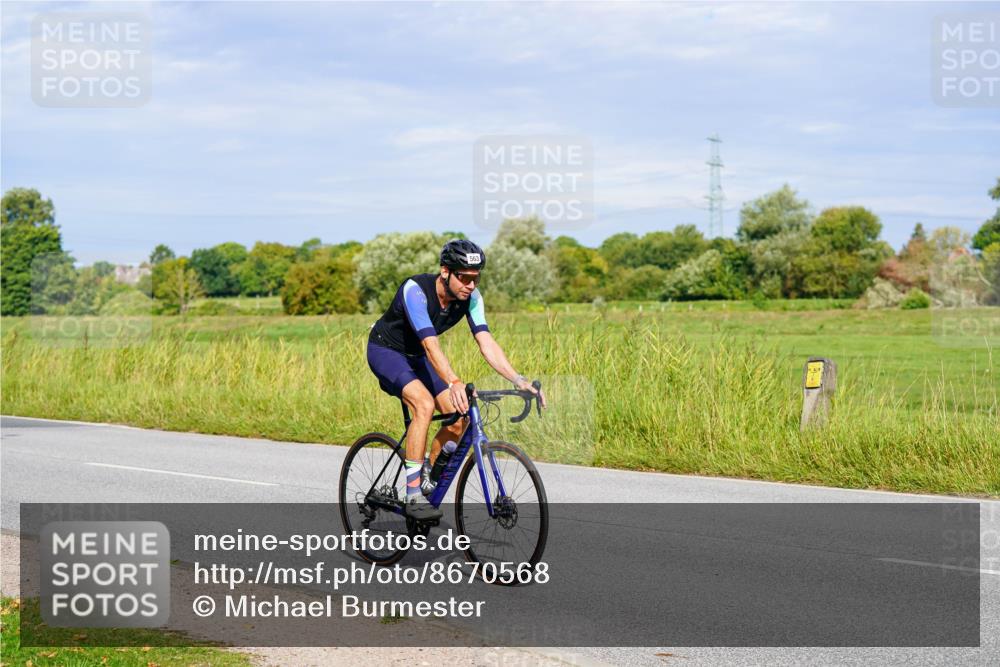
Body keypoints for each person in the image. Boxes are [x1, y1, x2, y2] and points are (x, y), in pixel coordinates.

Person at [366, 239, 545, 520]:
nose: (471, 285)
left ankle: (427, 475)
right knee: (423, 405)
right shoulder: (416, 290)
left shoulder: (471, 298)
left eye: (476, 278)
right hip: (387, 350)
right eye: (464, 278)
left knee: (459, 415)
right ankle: (413, 495)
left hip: (419, 356)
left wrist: (517, 379)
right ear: (445, 272)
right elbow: (430, 345)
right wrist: (453, 381)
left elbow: (486, 342)